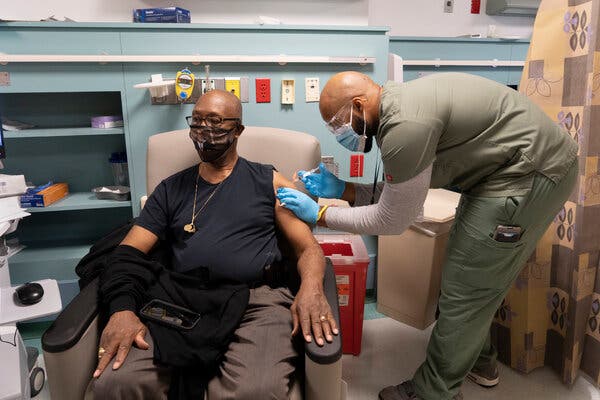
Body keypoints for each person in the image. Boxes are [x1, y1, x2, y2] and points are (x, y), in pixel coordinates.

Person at [277, 71, 578, 400]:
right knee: (465, 278)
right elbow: (406, 198)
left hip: (529, 175)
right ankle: (479, 362)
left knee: (465, 286)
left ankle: (434, 392)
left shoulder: (405, 127)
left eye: (336, 123)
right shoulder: (397, 110)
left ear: (359, 105)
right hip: (503, 174)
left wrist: (320, 214)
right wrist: (345, 190)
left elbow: (394, 219)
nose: (338, 132)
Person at [90, 89, 338, 399]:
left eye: (216, 121)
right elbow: (128, 254)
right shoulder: (170, 190)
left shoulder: (270, 182)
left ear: (238, 130)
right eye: (197, 121)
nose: (205, 130)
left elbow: (308, 248)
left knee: (254, 391)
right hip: (181, 297)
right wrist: (122, 311)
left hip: (256, 300)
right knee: (116, 382)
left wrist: (312, 288)